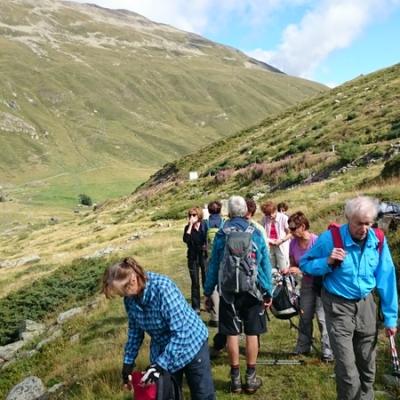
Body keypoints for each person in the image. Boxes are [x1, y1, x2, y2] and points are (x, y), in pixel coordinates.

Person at [300, 196, 398, 400]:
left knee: (367, 367)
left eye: (368, 223)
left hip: (366, 305)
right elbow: (305, 263)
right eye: (358, 223)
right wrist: (327, 261)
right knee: (347, 371)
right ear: (348, 219)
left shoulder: (377, 240)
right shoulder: (329, 239)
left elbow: (386, 278)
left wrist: (390, 318)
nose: (364, 229)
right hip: (338, 306)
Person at [102, 257, 215, 400]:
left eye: (123, 292)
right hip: (163, 348)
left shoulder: (163, 288)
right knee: (166, 394)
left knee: (202, 394)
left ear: (133, 280)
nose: (122, 296)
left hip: (192, 344)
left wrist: (160, 365)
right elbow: (135, 331)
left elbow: (181, 332)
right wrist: (128, 362)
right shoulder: (130, 300)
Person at [204, 195, 272, 394]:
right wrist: (267, 291)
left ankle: (235, 380)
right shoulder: (255, 232)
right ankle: (250, 379)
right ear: (245, 211)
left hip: (227, 292)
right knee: (252, 332)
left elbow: (214, 264)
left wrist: (208, 292)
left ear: (229, 212)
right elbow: (264, 263)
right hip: (252, 291)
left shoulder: (222, 233)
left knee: (231, 333)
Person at [283, 211, 333, 361]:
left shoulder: (317, 242)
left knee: (322, 318)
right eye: (289, 228)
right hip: (305, 284)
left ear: (303, 227)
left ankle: (328, 351)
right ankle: (303, 347)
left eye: (293, 228)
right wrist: (289, 269)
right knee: (305, 316)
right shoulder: (293, 243)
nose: (290, 232)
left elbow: (324, 264)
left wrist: (301, 270)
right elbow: (293, 263)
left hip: (321, 284)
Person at [203, 200, 225, 327]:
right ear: (220, 210)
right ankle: (225, 312)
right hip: (222, 257)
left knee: (211, 283)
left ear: (209, 210)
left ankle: (215, 317)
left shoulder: (205, 223)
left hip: (209, 257)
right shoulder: (224, 222)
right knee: (223, 283)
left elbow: (202, 240)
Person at [183, 207, 206, 314]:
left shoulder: (204, 226)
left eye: (194, 215)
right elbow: (186, 240)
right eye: (190, 215)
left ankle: (208, 303)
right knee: (195, 282)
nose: (191, 217)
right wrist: (190, 225)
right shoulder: (188, 228)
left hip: (203, 256)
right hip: (193, 257)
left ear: (199, 216)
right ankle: (196, 307)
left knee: (206, 280)